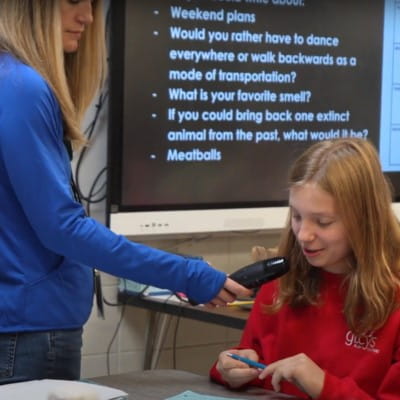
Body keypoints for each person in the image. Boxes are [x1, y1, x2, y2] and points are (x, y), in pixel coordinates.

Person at [0, 0, 251, 384]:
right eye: (73, 2)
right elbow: (62, 229)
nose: (86, 17)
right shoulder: (21, 87)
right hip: (29, 333)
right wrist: (186, 274)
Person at [210, 138, 400, 399]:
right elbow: (251, 362)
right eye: (297, 217)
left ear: (365, 221)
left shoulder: (394, 297)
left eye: (323, 222)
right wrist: (229, 369)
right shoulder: (281, 283)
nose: (304, 235)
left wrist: (322, 385)